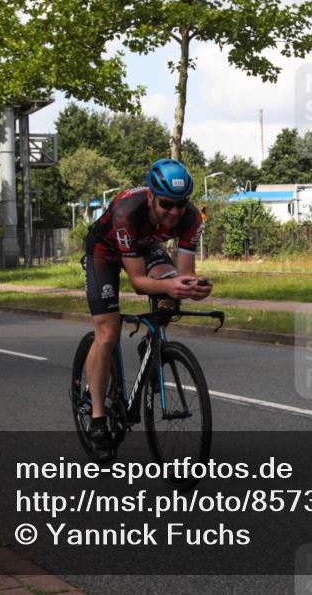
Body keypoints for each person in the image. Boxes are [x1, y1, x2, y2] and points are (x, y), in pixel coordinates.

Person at [81, 159, 212, 460]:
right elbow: (139, 282)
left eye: (181, 204)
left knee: (171, 288)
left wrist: (195, 288)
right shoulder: (127, 211)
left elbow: (184, 275)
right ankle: (99, 420)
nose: (175, 212)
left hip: (143, 247)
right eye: (167, 204)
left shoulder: (190, 218)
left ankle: (152, 346)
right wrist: (170, 286)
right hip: (104, 252)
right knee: (108, 331)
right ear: (152, 197)